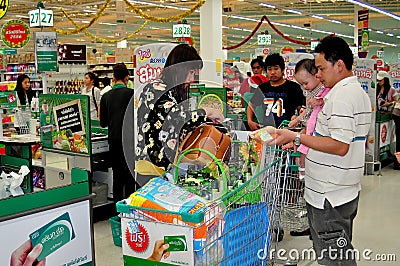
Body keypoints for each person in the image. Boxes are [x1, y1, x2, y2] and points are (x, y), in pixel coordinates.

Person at [266, 36, 372, 265]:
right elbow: (333, 138)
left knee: (333, 257)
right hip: (342, 188)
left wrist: (296, 136)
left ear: (339, 65)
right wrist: (298, 141)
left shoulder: (341, 97)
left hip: (329, 195)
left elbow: (340, 145)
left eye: (322, 68)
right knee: (337, 251)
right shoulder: (355, 93)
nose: (319, 75)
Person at [135, 44, 223, 185]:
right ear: (179, 70)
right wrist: (207, 111)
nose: (192, 79)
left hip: (165, 169)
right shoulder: (156, 89)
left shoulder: (171, 93)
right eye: (191, 72)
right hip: (152, 170)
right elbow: (178, 118)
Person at [288, 58, 331, 237]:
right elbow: (308, 116)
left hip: (315, 140)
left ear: (317, 74)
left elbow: (313, 116)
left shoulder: (323, 91)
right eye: (301, 84)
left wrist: (298, 124)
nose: (304, 87)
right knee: (305, 177)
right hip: (308, 137)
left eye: (306, 82)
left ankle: (314, 223)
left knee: (307, 176)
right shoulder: (312, 92)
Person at [100, 63, 136, 202]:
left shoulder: (105, 97)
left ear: (113, 78)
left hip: (114, 141)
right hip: (130, 141)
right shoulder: (132, 94)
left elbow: (103, 122)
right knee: (129, 177)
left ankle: (117, 211)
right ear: (127, 78)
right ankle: (130, 209)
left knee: (117, 177)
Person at [247, 53, 305, 131]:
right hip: (266, 130)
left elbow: (302, 109)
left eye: (276, 68)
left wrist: (297, 119)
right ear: (266, 71)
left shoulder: (293, 87)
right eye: (269, 69)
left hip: (287, 130)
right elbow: (251, 105)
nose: (273, 72)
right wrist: (250, 121)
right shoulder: (262, 88)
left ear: (282, 69)